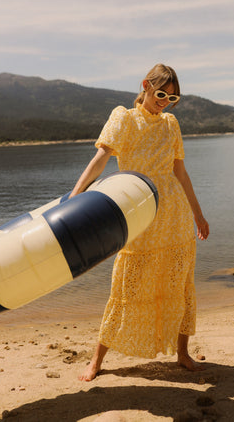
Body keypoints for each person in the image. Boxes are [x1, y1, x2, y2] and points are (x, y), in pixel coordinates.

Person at [70, 63, 209, 381]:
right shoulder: (124, 118)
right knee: (126, 284)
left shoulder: (171, 124)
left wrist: (198, 215)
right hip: (139, 211)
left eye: (172, 97)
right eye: (161, 94)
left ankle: (183, 354)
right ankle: (96, 361)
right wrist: (75, 196)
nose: (165, 101)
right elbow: (101, 159)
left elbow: (181, 174)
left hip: (174, 216)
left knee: (179, 282)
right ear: (146, 85)